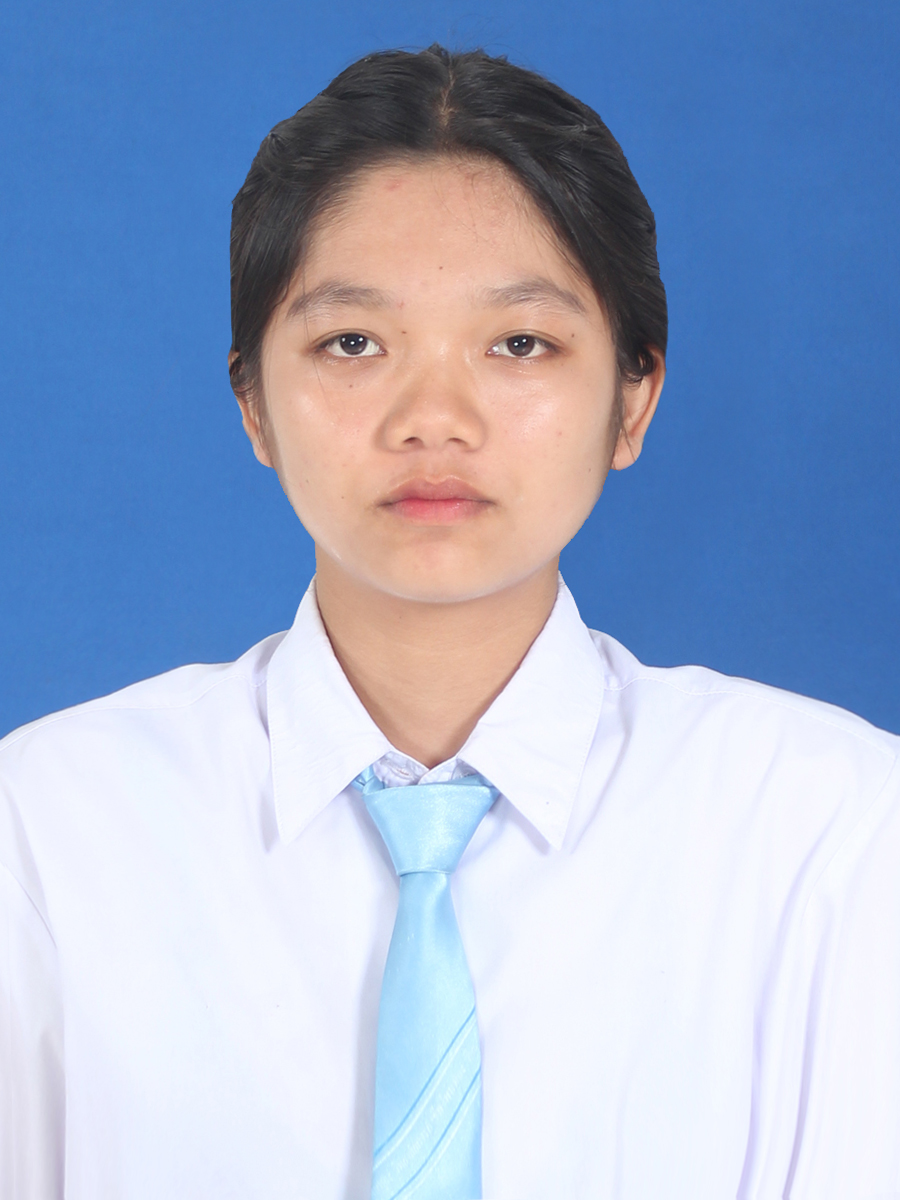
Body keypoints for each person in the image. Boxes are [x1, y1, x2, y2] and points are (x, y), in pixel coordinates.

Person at [1, 43, 898, 1200]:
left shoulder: (834, 834)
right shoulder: (47, 832)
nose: (434, 418)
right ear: (252, 403)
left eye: (519, 343)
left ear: (634, 397)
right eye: (353, 344)